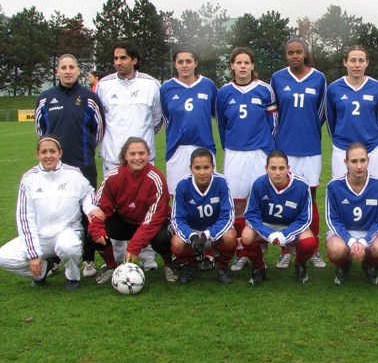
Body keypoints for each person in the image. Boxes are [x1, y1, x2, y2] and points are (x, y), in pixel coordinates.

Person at [34, 54, 105, 278]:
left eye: (71, 67)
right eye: (63, 67)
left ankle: (88, 260)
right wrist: (50, 156)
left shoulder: (89, 98)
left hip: (83, 164)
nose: (67, 71)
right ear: (57, 71)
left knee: (87, 213)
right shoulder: (46, 99)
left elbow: (99, 130)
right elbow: (41, 131)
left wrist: (85, 150)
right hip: (53, 169)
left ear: (78, 71)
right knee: (51, 211)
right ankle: (53, 260)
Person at [0, 136, 102, 290]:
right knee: (4, 257)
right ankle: (43, 271)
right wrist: (33, 254)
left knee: (69, 247)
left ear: (60, 153)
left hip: (67, 231)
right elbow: (25, 217)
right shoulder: (29, 179)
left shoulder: (73, 173)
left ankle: (72, 277)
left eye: (52, 151)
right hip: (41, 236)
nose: (48, 156)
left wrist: (90, 208)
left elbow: (87, 192)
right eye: (44, 152)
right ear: (37, 155)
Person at [96, 41, 163, 270]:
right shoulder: (104, 85)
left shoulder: (151, 84)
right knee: (114, 211)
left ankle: (147, 257)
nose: (118, 63)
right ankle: (117, 258)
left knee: (145, 209)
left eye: (123, 58)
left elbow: (157, 119)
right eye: (115, 58)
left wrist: (139, 150)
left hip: (143, 160)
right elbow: (101, 122)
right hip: (113, 160)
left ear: (134, 60)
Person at [216, 47, 277, 272]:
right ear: (231, 66)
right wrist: (232, 146)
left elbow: (274, 123)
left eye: (246, 62)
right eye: (238, 62)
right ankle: (241, 252)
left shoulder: (265, 90)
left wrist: (267, 148)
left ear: (252, 66)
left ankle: (258, 252)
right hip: (234, 153)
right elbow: (222, 126)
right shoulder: (223, 93)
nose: (242, 66)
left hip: (260, 153)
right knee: (238, 203)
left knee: (261, 202)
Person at [270, 38, 327, 270]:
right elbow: (274, 112)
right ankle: (286, 249)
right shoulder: (277, 78)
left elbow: (322, 112)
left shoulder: (319, 78)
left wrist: (309, 129)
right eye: (290, 52)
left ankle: (312, 248)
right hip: (285, 149)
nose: (295, 56)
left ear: (305, 54)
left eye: (299, 52)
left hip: (311, 148)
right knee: (286, 200)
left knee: (310, 200)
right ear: (286, 55)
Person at [88, 137, 177, 284]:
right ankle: (111, 266)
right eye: (133, 154)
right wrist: (97, 229)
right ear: (125, 156)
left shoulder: (156, 178)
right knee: (94, 231)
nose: (137, 158)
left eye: (141, 153)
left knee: (163, 238)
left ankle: (169, 263)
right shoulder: (112, 177)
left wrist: (134, 245)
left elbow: (154, 217)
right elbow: (99, 208)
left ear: (148, 155)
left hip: (152, 223)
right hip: (125, 221)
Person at [240, 150, 315, 285]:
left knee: (309, 241)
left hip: (291, 226)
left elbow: (305, 219)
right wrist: (269, 234)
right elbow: (251, 215)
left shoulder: (302, 185)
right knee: (246, 236)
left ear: (288, 168)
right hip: (266, 225)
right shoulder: (259, 184)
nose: (278, 172)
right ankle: (259, 267)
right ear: (266, 168)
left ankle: (300, 265)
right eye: (273, 168)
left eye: (282, 168)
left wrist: (285, 234)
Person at [325, 143, 378, 286]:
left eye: (363, 160)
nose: (359, 166)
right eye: (354, 161)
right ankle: (343, 265)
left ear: (368, 161)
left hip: (369, 232)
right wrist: (350, 240)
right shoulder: (334, 186)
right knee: (337, 249)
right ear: (346, 162)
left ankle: (368, 265)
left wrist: (363, 241)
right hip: (343, 233)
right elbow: (333, 220)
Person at [169, 148, 237, 284]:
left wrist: (206, 235)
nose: (202, 172)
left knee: (230, 236)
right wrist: (193, 236)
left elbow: (227, 216)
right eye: (197, 168)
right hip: (192, 231)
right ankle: (191, 266)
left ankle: (222, 267)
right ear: (191, 168)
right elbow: (177, 218)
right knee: (176, 243)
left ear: (213, 167)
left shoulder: (221, 182)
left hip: (213, 230)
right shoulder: (182, 185)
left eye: (206, 167)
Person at [160, 47, 218, 195]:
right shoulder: (166, 88)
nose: (184, 65)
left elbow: (215, 113)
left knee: (208, 193)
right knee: (177, 195)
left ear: (195, 63)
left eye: (188, 61)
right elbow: (166, 117)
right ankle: (178, 219)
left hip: (204, 146)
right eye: (180, 62)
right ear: (175, 64)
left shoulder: (208, 85)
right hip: (177, 148)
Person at [326, 45, 378, 180]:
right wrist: (338, 139)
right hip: (343, 147)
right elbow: (331, 119)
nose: (357, 65)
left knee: (375, 189)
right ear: (345, 62)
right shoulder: (334, 88)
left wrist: (371, 137)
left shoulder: (377, 87)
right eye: (353, 60)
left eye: (361, 60)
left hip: (372, 147)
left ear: (367, 63)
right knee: (340, 190)